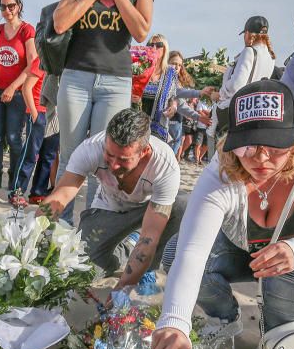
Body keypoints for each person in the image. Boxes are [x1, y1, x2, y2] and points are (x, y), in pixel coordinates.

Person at [148, 80, 294, 349]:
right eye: (247, 145)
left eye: (275, 145)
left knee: (293, 272)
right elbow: (191, 251)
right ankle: (224, 317)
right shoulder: (221, 169)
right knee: (173, 251)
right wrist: (175, 322)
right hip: (238, 249)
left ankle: (274, 333)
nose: (260, 158)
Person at [52, 0, 155, 221]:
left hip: (115, 82)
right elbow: (60, 21)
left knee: (107, 160)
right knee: (70, 156)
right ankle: (61, 228)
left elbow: (140, 30)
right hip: (76, 76)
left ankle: (92, 229)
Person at [38, 108, 186, 290]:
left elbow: (150, 236)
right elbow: (59, 197)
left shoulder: (165, 166)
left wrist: (122, 288)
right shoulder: (90, 149)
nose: (114, 165)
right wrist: (28, 238)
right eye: (109, 155)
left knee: (181, 206)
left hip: (147, 212)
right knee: (85, 270)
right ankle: (128, 245)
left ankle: (149, 269)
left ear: (144, 152)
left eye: (123, 159)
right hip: (109, 209)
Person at [0, 0, 36, 193]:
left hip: (16, 93)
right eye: (3, 6)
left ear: (19, 7)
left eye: (11, 6)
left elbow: (32, 62)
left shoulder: (27, 30)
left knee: (15, 138)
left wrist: (14, 86)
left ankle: (14, 179)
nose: (7, 10)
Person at [212, 16, 277, 137]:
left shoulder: (249, 51)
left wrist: (219, 94)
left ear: (247, 33)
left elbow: (237, 85)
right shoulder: (270, 57)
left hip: (238, 112)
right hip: (254, 111)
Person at [10, 57, 59, 207]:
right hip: (39, 111)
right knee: (30, 154)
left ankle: (38, 192)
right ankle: (17, 192)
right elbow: (26, 88)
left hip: (56, 114)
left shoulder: (65, 62)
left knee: (48, 156)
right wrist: (34, 114)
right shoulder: (42, 60)